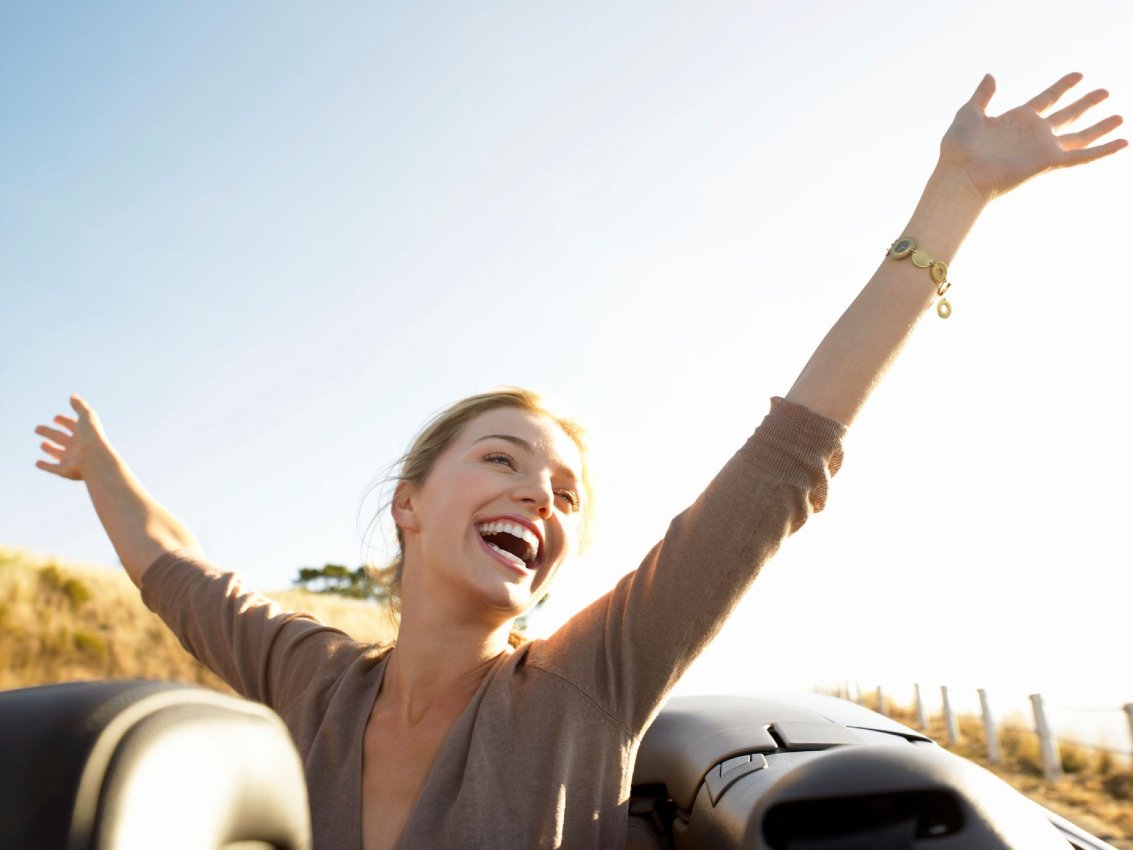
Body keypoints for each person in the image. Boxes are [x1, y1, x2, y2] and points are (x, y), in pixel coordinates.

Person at [34, 73, 1124, 850]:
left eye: (564, 493)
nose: (536, 495)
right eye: (502, 459)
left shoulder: (584, 682)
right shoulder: (308, 678)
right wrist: (99, 469)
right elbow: (172, 569)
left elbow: (783, 459)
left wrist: (955, 197)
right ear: (409, 504)